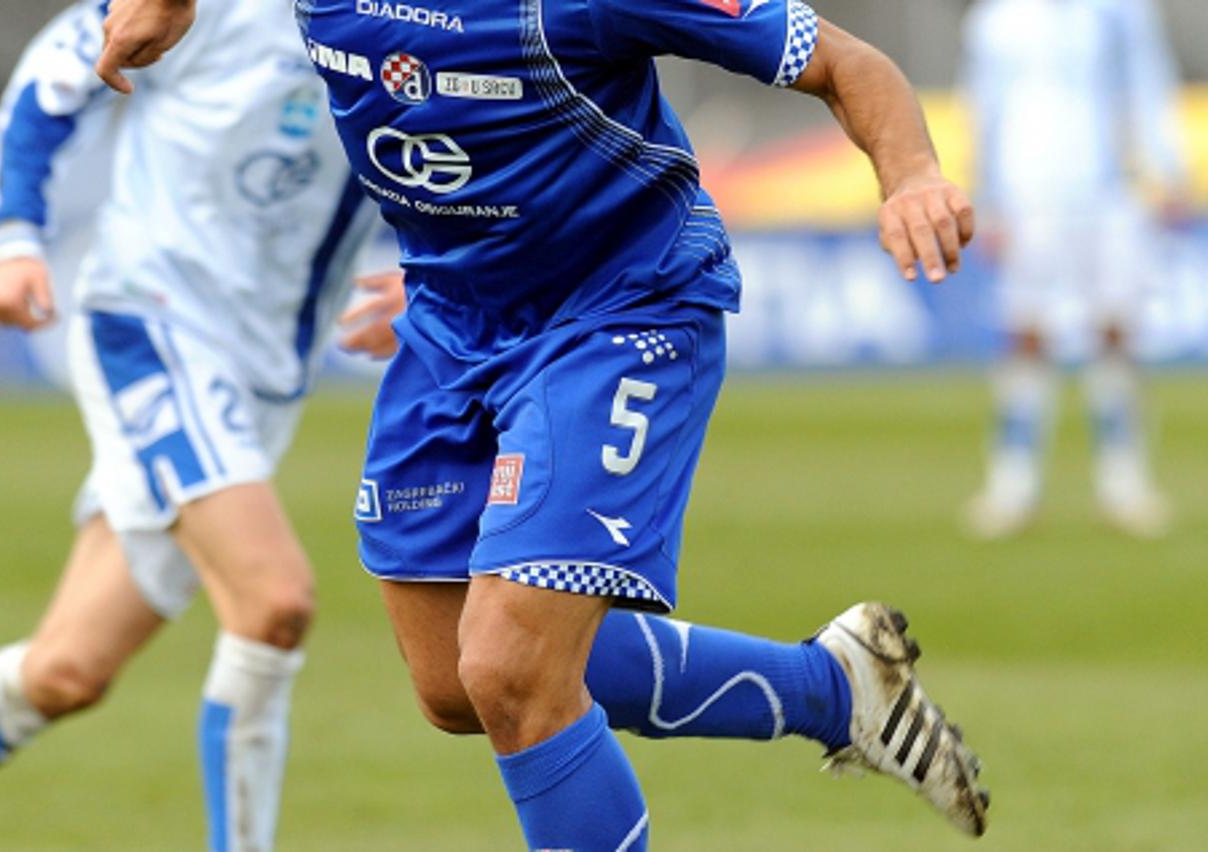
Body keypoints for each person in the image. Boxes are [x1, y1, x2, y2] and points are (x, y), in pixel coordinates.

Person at [96, 0, 991, 847]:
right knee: (455, 682)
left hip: (621, 310)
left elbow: (845, 60)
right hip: (452, 322)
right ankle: (835, 691)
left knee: (511, 671)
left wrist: (910, 175)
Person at [0, 2, 384, 850]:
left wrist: (439, 280)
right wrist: (15, 234)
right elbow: (54, 77)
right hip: (155, 327)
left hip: (266, 375)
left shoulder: (425, 22)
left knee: (65, 673)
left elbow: (472, 156)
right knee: (274, 601)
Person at [961, 0, 1188, 538]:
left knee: (1115, 330)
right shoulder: (996, 20)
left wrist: (1167, 168)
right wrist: (984, 196)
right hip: (1027, 195)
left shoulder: (1120, 11)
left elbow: (1147, 84)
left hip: (1111, 194)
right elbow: (984, 108)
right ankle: (1013, 484)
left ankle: (1123, 482)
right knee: (1026, 333)